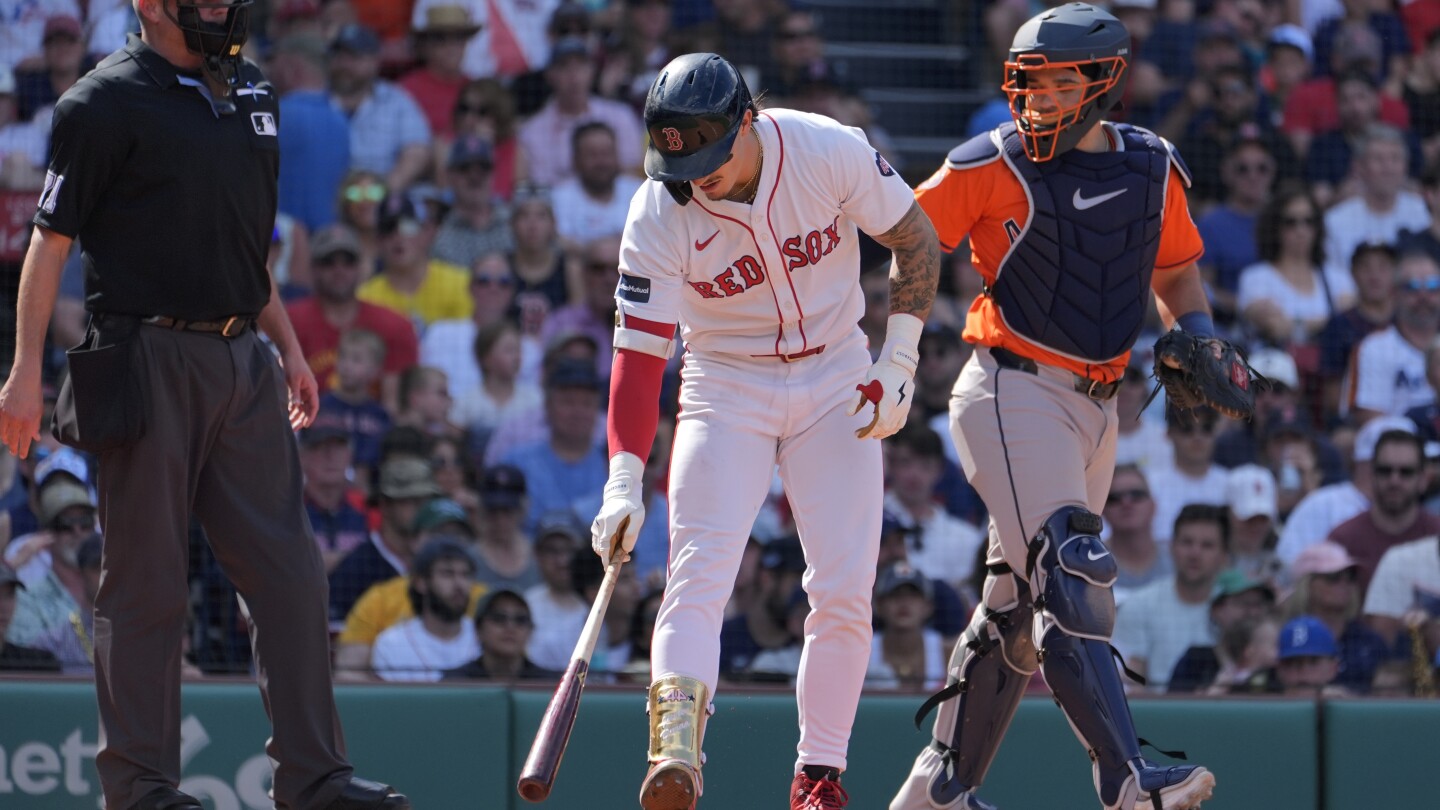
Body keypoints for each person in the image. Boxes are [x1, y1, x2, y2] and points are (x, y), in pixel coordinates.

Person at [0, 3, 410, 809]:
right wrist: (23, 371)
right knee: (145, 584)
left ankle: (315, 776)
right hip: (143, 354)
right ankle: (141, 788)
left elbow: (245, 244)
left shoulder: (254, 88)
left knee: (292, 574)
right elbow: (49, 242)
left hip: (243, 358)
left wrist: (288, 347)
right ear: (148, 1)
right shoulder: (101, 100)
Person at [587, 52, 941, 810]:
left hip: (837, 371)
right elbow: (640, 354)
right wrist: (623, 477)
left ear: (747, 121)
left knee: (845, 588)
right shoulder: (658, 208)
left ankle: (818, 777)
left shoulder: (823, 147)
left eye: (711, 155)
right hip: (724, 383)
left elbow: (916, 239)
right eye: (680, 159)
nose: (697, 175)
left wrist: (900, 358)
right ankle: (674, 754)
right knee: (698, 572)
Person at [888, 7, 1215, 810]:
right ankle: (1126, 775)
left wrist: (1198, 337)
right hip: (1011, 386)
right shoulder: (987, 162)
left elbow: (1176, 274)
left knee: (1015, 609)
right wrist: (884, 346)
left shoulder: (1151, 166)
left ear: (1104, 83)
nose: (1038, 99)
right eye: (1029, 83)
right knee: (1073, 570)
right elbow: (903, 234)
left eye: (1058, 82)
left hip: (1099, 409)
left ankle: (939, 789)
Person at [369, 537, 482, 682]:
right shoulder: (392, 643)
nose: (459, 584)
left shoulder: (486, 638)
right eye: (447, 574)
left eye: (465, 575)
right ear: (421, 583)